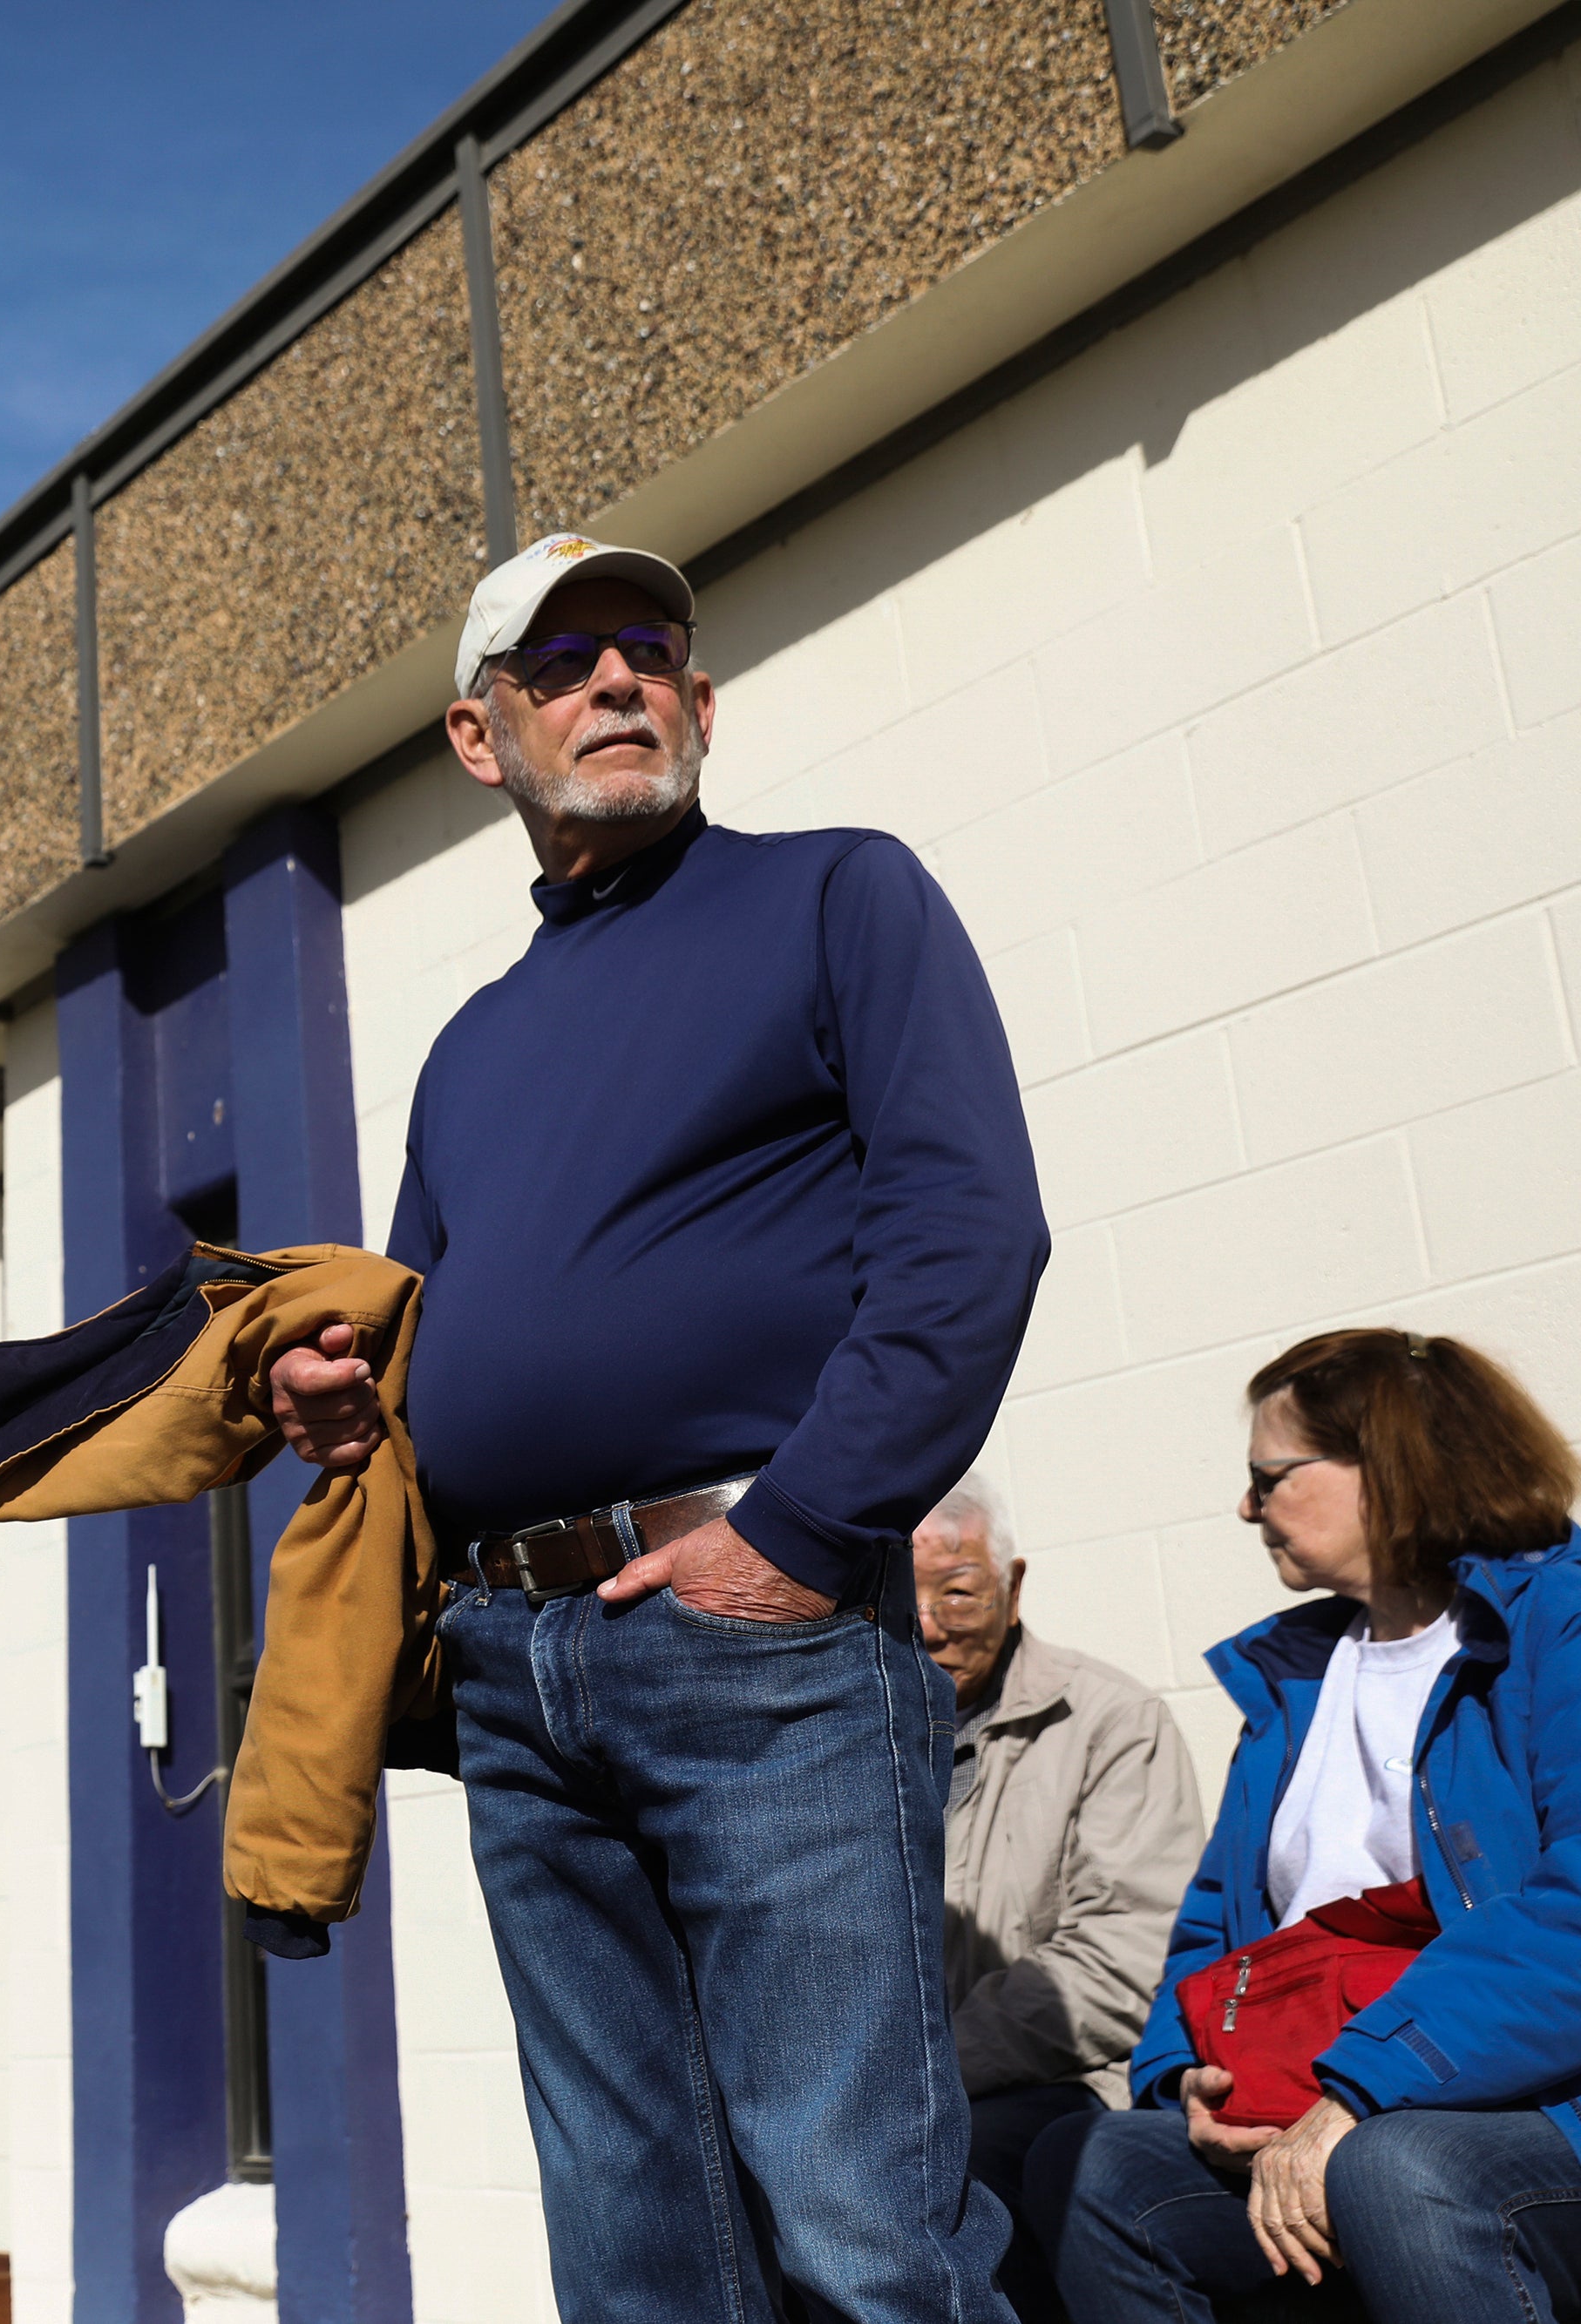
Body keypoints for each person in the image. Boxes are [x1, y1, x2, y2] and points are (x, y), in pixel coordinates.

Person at [269, 532, 1050, 2321]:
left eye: (646, 650)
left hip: (752, 1635)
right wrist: (341, 1394)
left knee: (862, 2232)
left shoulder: (840, 895)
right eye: (559, 662)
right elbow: (423, 1329)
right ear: (481, 738)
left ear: (697, 703)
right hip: (514, 1667)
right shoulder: (467, 1047)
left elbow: (966, 1232)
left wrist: (790, 1531)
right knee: (631, 2250)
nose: (611, 679)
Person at [1030, 1329, 1581, 2321]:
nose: (1246, 1507)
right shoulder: (1294, 1678)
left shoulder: (1558, 1625)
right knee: (1098, 2161)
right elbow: (1215, 1927)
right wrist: (1184, 2081)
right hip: (1346, 2093)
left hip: (1532, 2103)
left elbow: (1572, 1912)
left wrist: (1364, 2091)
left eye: (1268, 1476)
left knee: (1397, 2168)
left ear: (1386, 1468)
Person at [914, 1469, 1204, 2318]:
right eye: (903, 1597)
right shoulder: (847, 1738)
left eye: (957, 1592)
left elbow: (1125, 1958)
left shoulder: (1109, 1719)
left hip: (1063, 2078)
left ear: (1012, 1585)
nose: (927, 1626)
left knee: (962, 2176)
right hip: (903, 2091)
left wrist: (928, 2073)